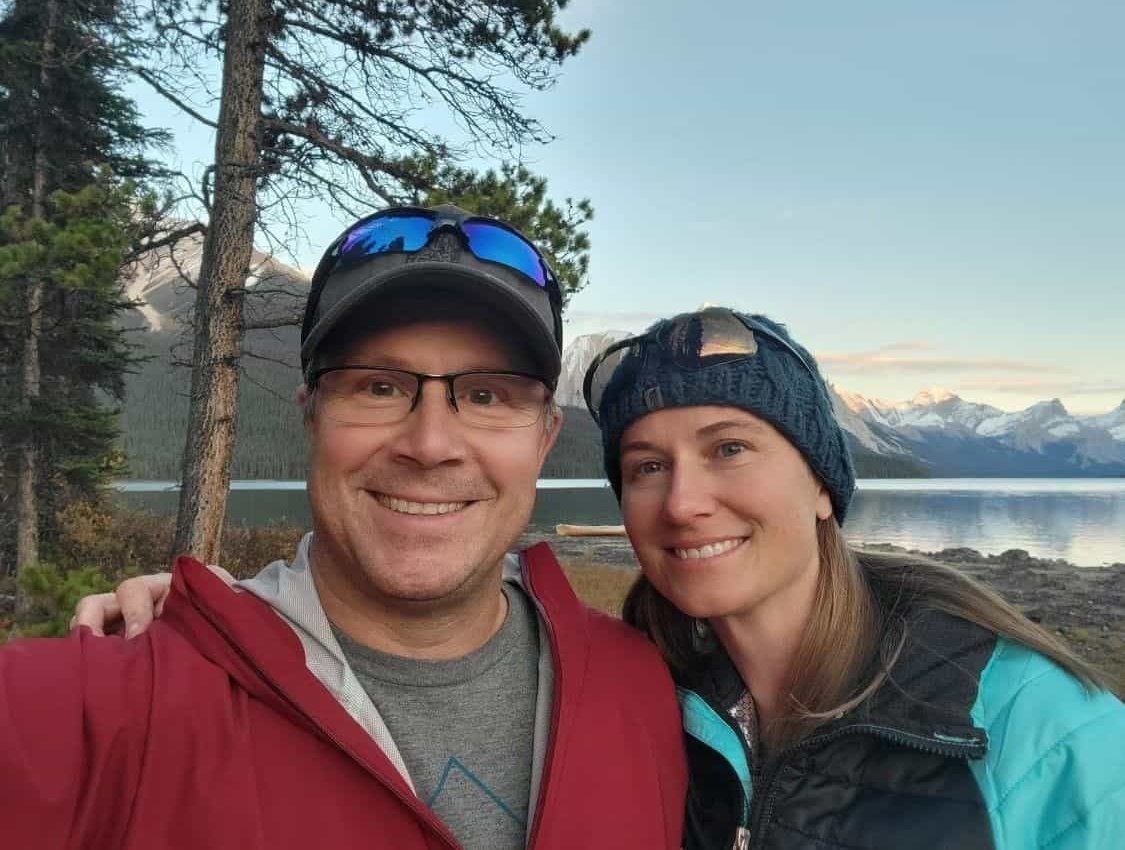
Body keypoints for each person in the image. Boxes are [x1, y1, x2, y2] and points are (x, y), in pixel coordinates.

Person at [0, 205, 686, 850]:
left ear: (545, 436)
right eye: (379, 387)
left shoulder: (642, 685)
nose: (429, 443)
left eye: (486, 395)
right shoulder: (116, 706)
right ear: (311, 417)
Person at [582, 306, 1125, 849]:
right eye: (648, 467)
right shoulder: (631, 706)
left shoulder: (1043, 729)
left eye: (730, 449)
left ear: (822, 486)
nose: (682, 504)